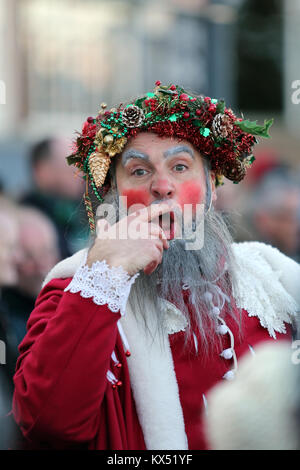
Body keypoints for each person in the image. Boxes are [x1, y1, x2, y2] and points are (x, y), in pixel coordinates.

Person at [11, 82, 300, 450]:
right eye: (139, 172)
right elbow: (46, 422)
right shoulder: (76, 287)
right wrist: (106, 273)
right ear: (112, 195)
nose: (163, 187)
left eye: (180, 167)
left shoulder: (274, 276)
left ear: (210, 184)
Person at [2, 206, 60, 349]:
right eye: (30, 256)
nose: (42, 266)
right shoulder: (10, 314)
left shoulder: (60, 300)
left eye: (47, 252)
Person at [21, 137, 87, 259]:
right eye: (73, 169)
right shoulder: (24, 223)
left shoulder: (83, 211)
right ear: (42, 170)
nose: (82, 175)